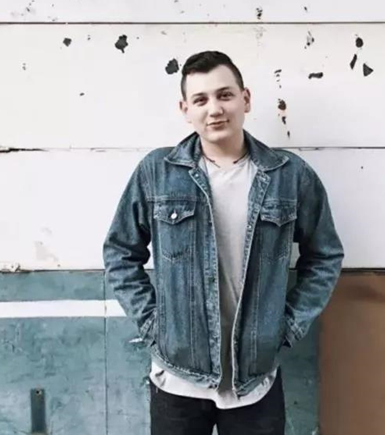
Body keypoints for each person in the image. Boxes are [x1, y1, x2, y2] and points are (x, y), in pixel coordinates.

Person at [103, 50, 344, 435]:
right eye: (200, 100)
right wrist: (154, 326)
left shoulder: (289, 176)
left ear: (245, 99)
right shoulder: (157, 172)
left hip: (255, 379)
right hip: (178, 378)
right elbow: (120, 253)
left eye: (224, 95)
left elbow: (325, 256)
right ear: (185, 110)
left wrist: (287, 326)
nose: (214, 109)